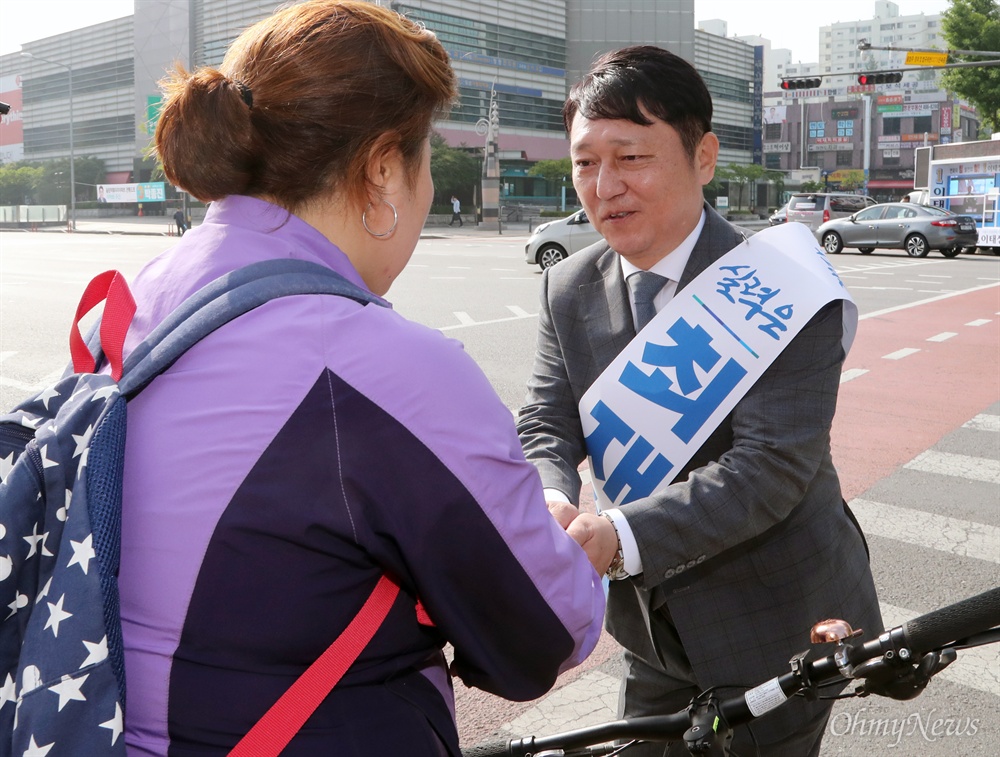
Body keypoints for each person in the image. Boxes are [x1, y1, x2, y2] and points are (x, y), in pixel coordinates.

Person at [120, 3, 605, 755]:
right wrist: (577, 556)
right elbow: (541, 632)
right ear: (383, 170)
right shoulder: (382, 367)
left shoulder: (132, 301)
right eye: (424, 159)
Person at [516, 46, 881, 757]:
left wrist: (614, 537)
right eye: (585, 162)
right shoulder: (568, 286)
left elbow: (771, 467)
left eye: (630, 157)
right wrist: (551, 493)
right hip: (652, 629)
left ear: (704, 156)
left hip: (777, 621)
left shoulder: (781, 285)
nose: (604, 186)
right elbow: (544, 420)